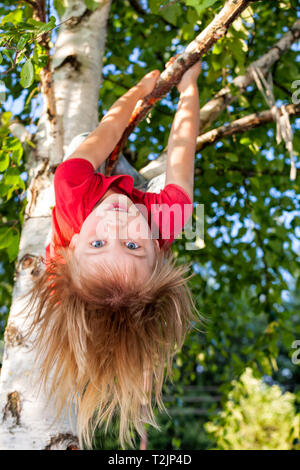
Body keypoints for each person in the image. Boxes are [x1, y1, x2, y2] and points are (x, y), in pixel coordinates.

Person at [22, 62, 203, 449]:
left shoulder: (71, 186)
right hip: (147, 206)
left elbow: (111, 124)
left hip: (89, 203)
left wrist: (141, 90)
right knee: (183, 204)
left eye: (100, 244)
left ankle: (112, 181)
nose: (118, 227)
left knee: (87, 141)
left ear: (75, 246)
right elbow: (183, 145)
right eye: (133, 246)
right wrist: (188, 87)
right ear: (157, 248)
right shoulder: (168, 219)